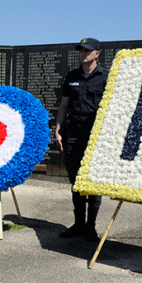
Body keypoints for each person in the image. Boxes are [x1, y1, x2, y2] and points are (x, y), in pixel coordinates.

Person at [54, 37, 108, 242]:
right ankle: (78, 224)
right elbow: (64, 106)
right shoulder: (72, 76)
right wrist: (58, 129)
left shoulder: (106, 77)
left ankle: (90, 227)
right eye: (81, 50)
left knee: (93, 183)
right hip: (73, 135)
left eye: (87, 50)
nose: (83, 53)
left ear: (97, 53)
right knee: (76, 182)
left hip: (95, 137)